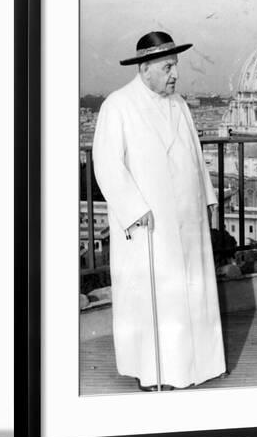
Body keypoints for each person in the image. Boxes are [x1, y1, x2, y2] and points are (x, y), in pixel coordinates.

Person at [93, 31, 227, 391]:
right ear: (145, 68)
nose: (175, 75)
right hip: (148, 223)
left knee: (191, 291)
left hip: (189, 218)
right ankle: (156, 374)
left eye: (175, 67)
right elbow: (106, 163)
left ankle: (197, 367)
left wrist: (208, 201)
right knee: (157, 298)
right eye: (168, 67)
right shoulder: (117, 106)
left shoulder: (180, 104)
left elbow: (197, 158)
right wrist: (134, 209)